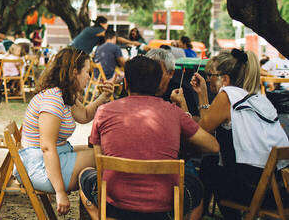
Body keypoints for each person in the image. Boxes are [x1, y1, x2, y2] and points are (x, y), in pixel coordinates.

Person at [78, 56, 219, 220]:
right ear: (159, 85)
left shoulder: (103, 112)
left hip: (115, 203)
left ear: (126, 84)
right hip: (164, 206)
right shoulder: (175, 113)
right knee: (195, 187)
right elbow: (213, 146)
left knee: (85, 174)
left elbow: (98, 158)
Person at [171, 49, 289, 220]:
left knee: (208, 167)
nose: (209, 77)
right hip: (279, 187)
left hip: (254, 190)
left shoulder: (228, 95)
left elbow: (200, 134)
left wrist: (183, 105)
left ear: (224, 79)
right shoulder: (258, 98)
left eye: (211, 74)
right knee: (212, 164)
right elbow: (209, 127)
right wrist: (203, 95)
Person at [17, 47, 114, 215]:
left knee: (100, 152)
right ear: (74, 72)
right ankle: (108, 211)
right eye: (87, 72)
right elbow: (47, 147)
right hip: (39, 168)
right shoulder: (53, 100)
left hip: (48, 158)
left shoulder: (64, 94)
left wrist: (103, 98)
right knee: (104, 157)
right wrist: (60, 192)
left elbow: (83, 115)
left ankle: (98, 208)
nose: (89, 77)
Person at [70, 16, 139, 55]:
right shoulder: (99, 30)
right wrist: (132, 43)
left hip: (73, 50)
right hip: (76, 53)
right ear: (101, 24)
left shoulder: (90, 29)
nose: (107, 25)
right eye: (106, 23)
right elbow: (115, 38)